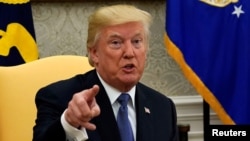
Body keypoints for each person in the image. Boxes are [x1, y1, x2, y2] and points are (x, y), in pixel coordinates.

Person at [33, 4, 179, 141]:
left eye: (136, 42)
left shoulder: (163, 107)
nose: (129, 53)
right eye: (116, 43)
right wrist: (69, 122)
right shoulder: (58, 98)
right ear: (94, 53)